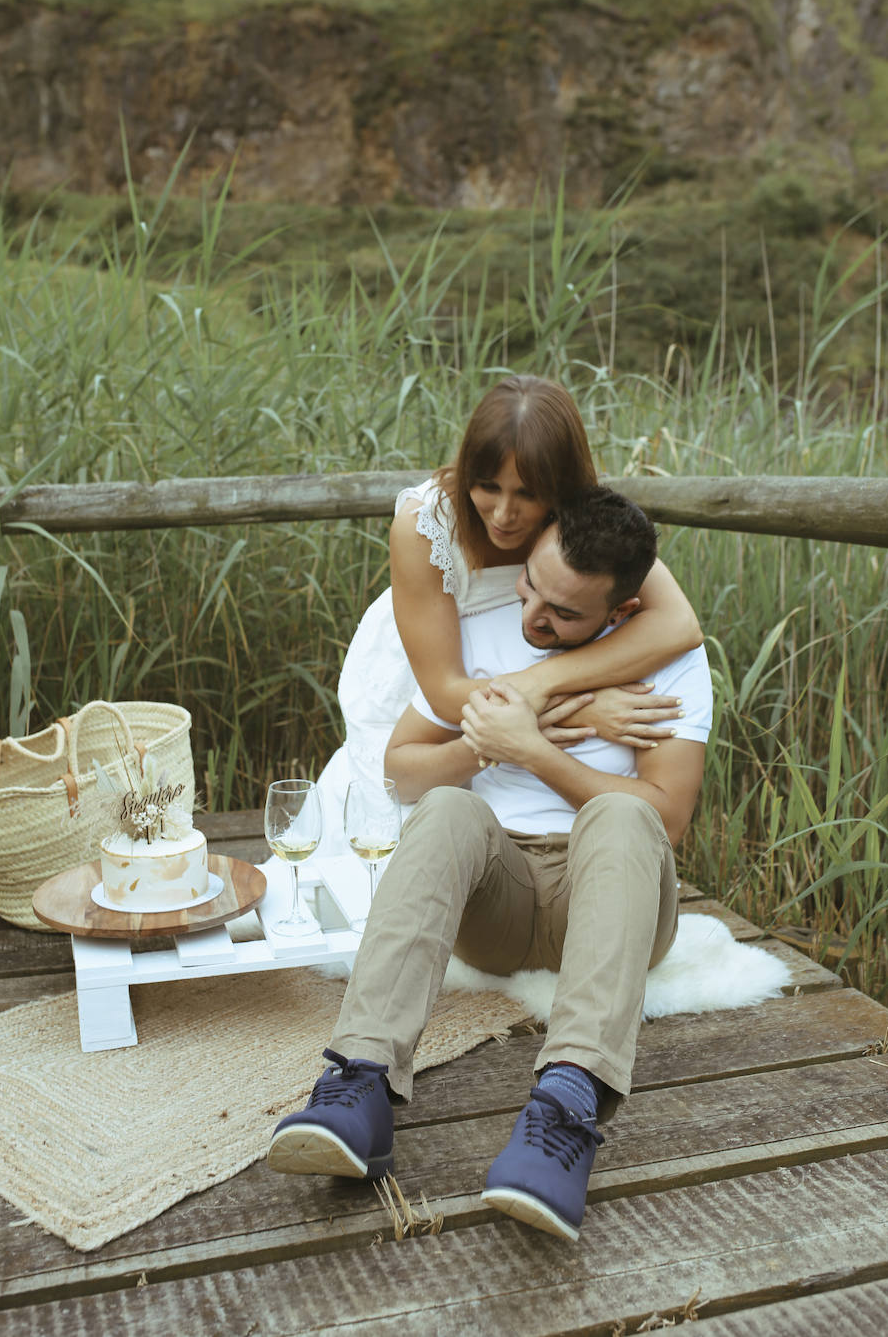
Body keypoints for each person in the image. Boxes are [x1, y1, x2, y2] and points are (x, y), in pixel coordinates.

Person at [267, 488, 713, 1243]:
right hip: (497, 894)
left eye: (564, 613)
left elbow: (666, 818)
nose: (533, 616)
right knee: (445, 807)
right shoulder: (484, 633)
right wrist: (502, 735)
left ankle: (566, 1108)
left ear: (624, 611)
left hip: (611, 891)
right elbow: (401, 773)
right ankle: (359, 1083)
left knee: (624, 811)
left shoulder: (669, 663)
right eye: (531, 584)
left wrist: (531, 747)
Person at [315, 375, 702, 852]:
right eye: (488, 487)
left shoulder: (579, 527)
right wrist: (580, 708)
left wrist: (545, 687)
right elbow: (442, 692)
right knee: (395, 845)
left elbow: (679, 625)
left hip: (519, 683)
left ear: (561, 487)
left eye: (527, 494)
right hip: (432, 679)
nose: (502, 514)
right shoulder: (424, 526)